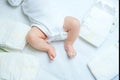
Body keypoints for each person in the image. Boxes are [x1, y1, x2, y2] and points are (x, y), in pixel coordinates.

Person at [8, 0, 80, 60]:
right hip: (41, 27)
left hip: (60, 22)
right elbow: (13, 2)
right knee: (31, 37)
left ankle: (69, 44)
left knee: (75, 23)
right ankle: (48, 48)